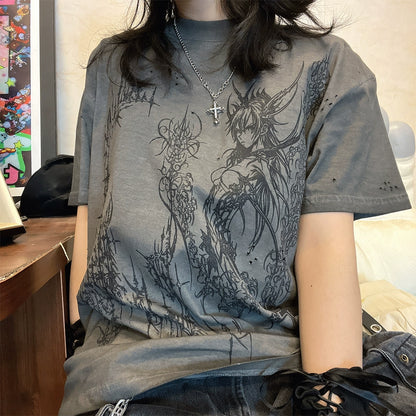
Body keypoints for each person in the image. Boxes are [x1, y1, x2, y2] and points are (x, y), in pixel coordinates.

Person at [60, 1, 414, 415]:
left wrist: (330, 401)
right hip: (133, 383)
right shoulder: (111, 66)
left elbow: (324, 253)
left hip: (280, 376)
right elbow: (93, 233)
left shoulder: (327, 67)